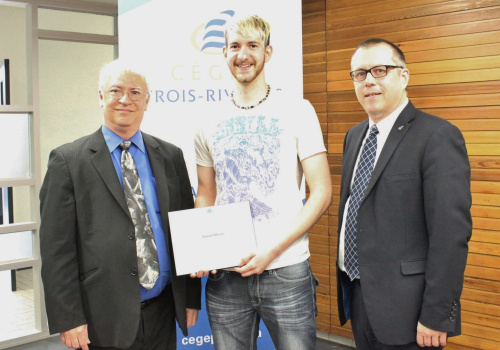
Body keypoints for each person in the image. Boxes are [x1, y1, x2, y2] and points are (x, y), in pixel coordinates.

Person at [39, 59, 201, 350]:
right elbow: (56, 249)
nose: (125, 99)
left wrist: (190, 297)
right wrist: (68, 318)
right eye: (116, 90)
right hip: (102, 316)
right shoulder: (68, 161)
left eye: (135, 92)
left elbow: (184, 231)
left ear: (147, 101)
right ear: (101, 97)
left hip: (163, 309)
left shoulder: (170, 155)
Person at [192, 15, 332, 349]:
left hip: (286, 270)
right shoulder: (206, 121)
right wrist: (201, 247)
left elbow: (322, 192)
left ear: (267, 52)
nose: (243, 54)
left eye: (253, 45)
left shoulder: (298, 110)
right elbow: (206, 193)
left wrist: (272, 250)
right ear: (224, 52)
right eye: (235, 46)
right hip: (226, 276)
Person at [336, 38, 472, 349]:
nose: (369, 80)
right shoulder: (354, 136)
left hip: (410, 313)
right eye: (359, 74)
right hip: (359, 299)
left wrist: (437, 314)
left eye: (380, 70)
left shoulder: (437, 136)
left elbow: (450, 235)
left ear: (404, 76)